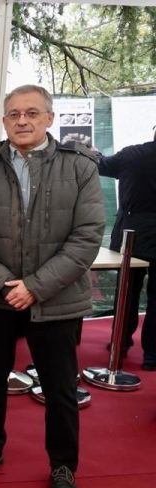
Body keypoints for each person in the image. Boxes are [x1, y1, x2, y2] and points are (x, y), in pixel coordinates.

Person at [0, 84, 104, 488]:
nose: (21, 121)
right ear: (4, 121)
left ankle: (63, 465)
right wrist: (8, 285)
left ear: (49, 118)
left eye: (31, 113)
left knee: (60, 388)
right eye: (13, 114)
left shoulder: (80, 169)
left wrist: (36, 287)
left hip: (57, 301)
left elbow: (87, 237)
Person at [97, 133, 156, 371]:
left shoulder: (133, 154)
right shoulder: (132, 154)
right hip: (138, 235)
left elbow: (102, 165)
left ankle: (120, 344)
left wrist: (93, 152)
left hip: (133, 236)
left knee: (126, 294)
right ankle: (152, 354)